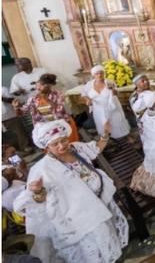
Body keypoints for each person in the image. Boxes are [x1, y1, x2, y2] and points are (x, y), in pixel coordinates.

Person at [13, 120, 128, 263]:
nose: (62, 146)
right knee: (96, 253)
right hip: (78, 218)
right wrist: (37, 191)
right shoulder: (42, 168)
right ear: (46, 147)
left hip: (99, 207)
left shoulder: (76, 148)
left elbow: (96, 149)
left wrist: (105, 134)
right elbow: (36, 201)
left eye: (64, 140)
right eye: (55, 144)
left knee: (110, 245)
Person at [12, 74, 79, 143]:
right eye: (37, 86)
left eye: (41, 85)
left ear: (49, 86)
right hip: (47, 130)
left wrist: (46, 99)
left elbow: (59, 110)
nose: (38, 88)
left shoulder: (58, 94)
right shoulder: (34, 98)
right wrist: (16, 107)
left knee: (69, 145)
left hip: (63, 126)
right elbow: (22, 113)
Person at [81, 65, 130, 139]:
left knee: (116, 121)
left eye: (101, 73)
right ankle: (107, 139)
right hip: (98, 108)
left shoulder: (109, 82)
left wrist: (113, 91)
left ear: (104, 73)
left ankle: (121, 136)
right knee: (102, 123)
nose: (99, 75)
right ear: (93, 75)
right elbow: (84, 94)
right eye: (97, 74)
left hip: (112, 106)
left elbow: (116, 93)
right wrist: (88, 99)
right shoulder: (89, 85)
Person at [2, 86, 32, 153]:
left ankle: (25, 147)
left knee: (20, 132)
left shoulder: (3, 89)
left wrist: (2, 98)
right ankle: (6, 153)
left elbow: (13, 100)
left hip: (9, 116)